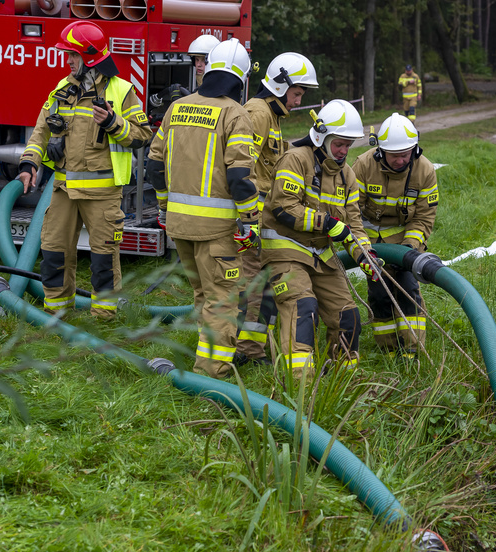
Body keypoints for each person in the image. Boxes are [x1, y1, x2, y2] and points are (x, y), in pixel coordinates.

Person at [17, 21, 151, 319]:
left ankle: (104, 318)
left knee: (103, 259)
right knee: (53, 252)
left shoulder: (121, 91)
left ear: (89, 57)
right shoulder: (62, 89)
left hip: (102, 195)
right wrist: (29, 163)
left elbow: (143, 136)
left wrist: (113, 123)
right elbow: (41, 131)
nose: (68, 61)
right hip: (63, 190)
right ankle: (56, 315)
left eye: (73, 55)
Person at [146, 38, 259, 379]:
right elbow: (240, 176)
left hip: (180, 226)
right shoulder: (235, 114)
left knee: (203, 295)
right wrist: (250, 219)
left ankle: (204, 358)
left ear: (208, 69)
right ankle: (213, 374)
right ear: (240, 78)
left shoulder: (177, 107)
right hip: (217, 230)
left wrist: (164, 208)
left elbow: (154, 166)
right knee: (222, 299)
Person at [260, 100, 380, 379]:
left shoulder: (347, 175)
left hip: (321, 256)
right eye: (339, 143)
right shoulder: (296, 158)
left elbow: (353, 224)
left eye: (349, 145)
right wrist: (325, 223)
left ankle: (341, 379)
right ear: (321, 136)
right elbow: (283, 208)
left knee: (348, 315)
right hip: (285, 251)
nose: (343, 151)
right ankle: (299, 384)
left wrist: (365, 255)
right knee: (303, 306)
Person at [235, 52, 319, 368]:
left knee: (263, 284)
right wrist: (247, 221)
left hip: (261, 219)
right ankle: (246, 352)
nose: (298, 101)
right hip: (250, 220)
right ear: (281, 86)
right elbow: (240, 166)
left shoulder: (271, 116)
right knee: (253, 286)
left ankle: (252, 349)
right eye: (297, 93)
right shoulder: (257, 114)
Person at [353, 113, 438, 361]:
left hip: (405, 245)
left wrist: (408, 250)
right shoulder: (363, 166)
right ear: (380, 151)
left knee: (408, 290)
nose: (401, 160)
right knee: (379, 294)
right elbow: (350, 210)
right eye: (394, 155)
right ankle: (388, 349)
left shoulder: (425, 171)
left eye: (406, 154)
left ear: (415, 148)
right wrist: (362, 247)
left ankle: (412, 349)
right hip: (369, 244)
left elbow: (423, 218)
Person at [149, 34, 222, 228]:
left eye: (204, 60)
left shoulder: (221, 92)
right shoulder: (198, 84)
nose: (199, 65)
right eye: (196, 60)